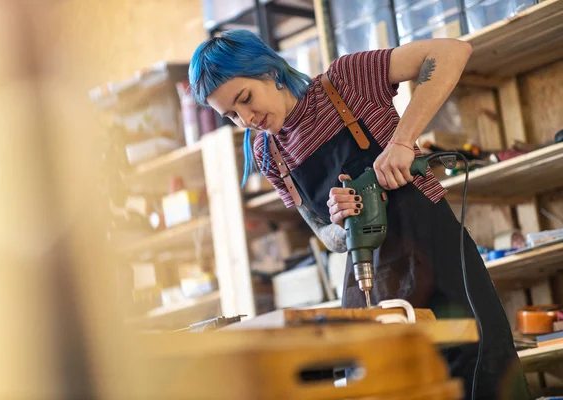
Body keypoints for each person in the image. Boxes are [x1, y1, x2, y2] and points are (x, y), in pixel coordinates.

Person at [188, 30, 532, 400]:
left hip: (438, 256)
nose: (247, 118)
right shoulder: (268, 154)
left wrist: (402, 141)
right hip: (373, 284)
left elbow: (450, 52)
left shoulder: (347, 80)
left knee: (486, 372)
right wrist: (339, 221)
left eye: (245, 99)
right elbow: (327, 237)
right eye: (232, 115)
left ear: (268, 71)